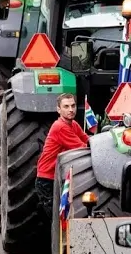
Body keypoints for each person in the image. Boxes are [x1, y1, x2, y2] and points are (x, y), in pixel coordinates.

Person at [35, 93, 90, 224]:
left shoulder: (74, 124)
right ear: (59, 109)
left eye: (73, 106)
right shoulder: (60, 127)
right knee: (56, 221)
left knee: (58, 219)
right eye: (66, 106)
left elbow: (87, 140)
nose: (71, 109)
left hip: (57, 177)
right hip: (47, 179)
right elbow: (83, 147)